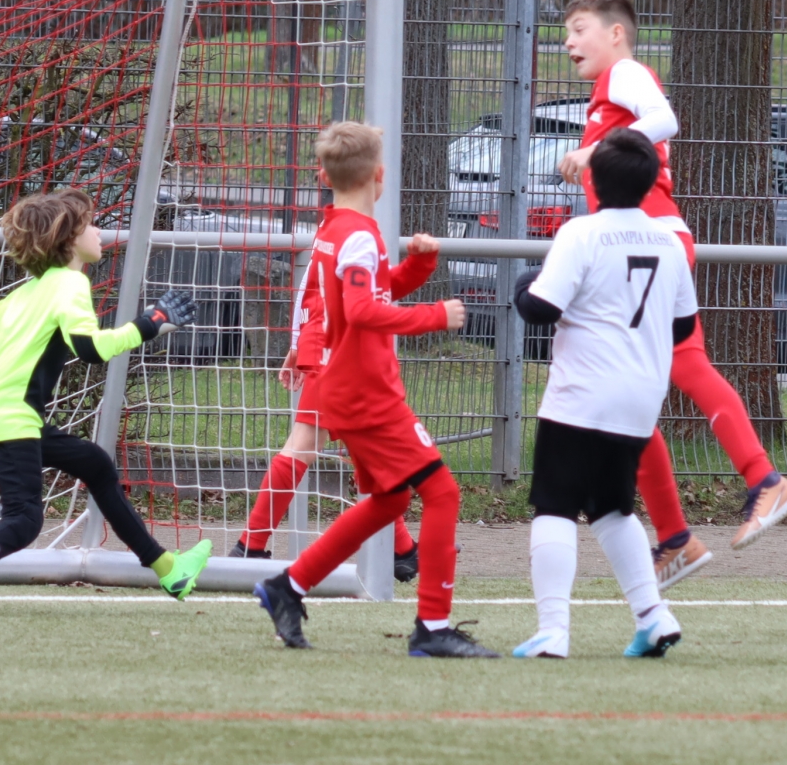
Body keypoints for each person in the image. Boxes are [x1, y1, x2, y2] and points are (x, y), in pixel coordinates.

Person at [557, 0, 787, 588]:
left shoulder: (625, 72)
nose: (569, 42)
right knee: (641, 386)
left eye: (580, 29)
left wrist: (594, 150)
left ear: (616, 34)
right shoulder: (608, 90)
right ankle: (682, 534)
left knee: (656, 377)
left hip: (647, 241)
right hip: (645, 242)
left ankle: (757, 485)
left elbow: (665, 119)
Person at [253, 122, 494, 656]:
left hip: (350, 387)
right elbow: (363, 311)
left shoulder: (337, 229)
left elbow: (371, 292)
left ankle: (287, 586)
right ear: (380, 176)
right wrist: (435, 315)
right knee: (442, 492)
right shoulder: (359, 236)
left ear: (326, 177)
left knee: (391, 499)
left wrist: (420, 265)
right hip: (367, 393)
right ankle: (433, 627)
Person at [0, 188, 211, 616]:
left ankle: (169, 569)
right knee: (25, 519)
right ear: (69, 238)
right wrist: (149, 324)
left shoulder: (28, 292)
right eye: (91, 224)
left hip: (6, 409)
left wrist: (0, 366)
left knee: (95, 465)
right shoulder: (71, 283)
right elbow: (89, 349)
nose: (99, 231)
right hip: (12, 412)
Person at [512, 129, 696, 659]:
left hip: (583, 392)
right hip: (640, 398)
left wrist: (523, 284)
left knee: (554, 507)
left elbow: (541, 308)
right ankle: (654, 617)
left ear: (592, 178)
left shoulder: (582, 233)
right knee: (612, 509)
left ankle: (553, 630)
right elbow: (683, 326)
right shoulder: (668, 241)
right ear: (650, 182)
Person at [230, 227, 421, 582]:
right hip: (340, 352)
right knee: (306, 446)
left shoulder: (333, 225)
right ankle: (249, 547)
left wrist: (297, 345)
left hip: (330, 348)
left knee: (364, 449)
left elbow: (309, 287)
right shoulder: (359, 227)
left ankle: (403, 551)